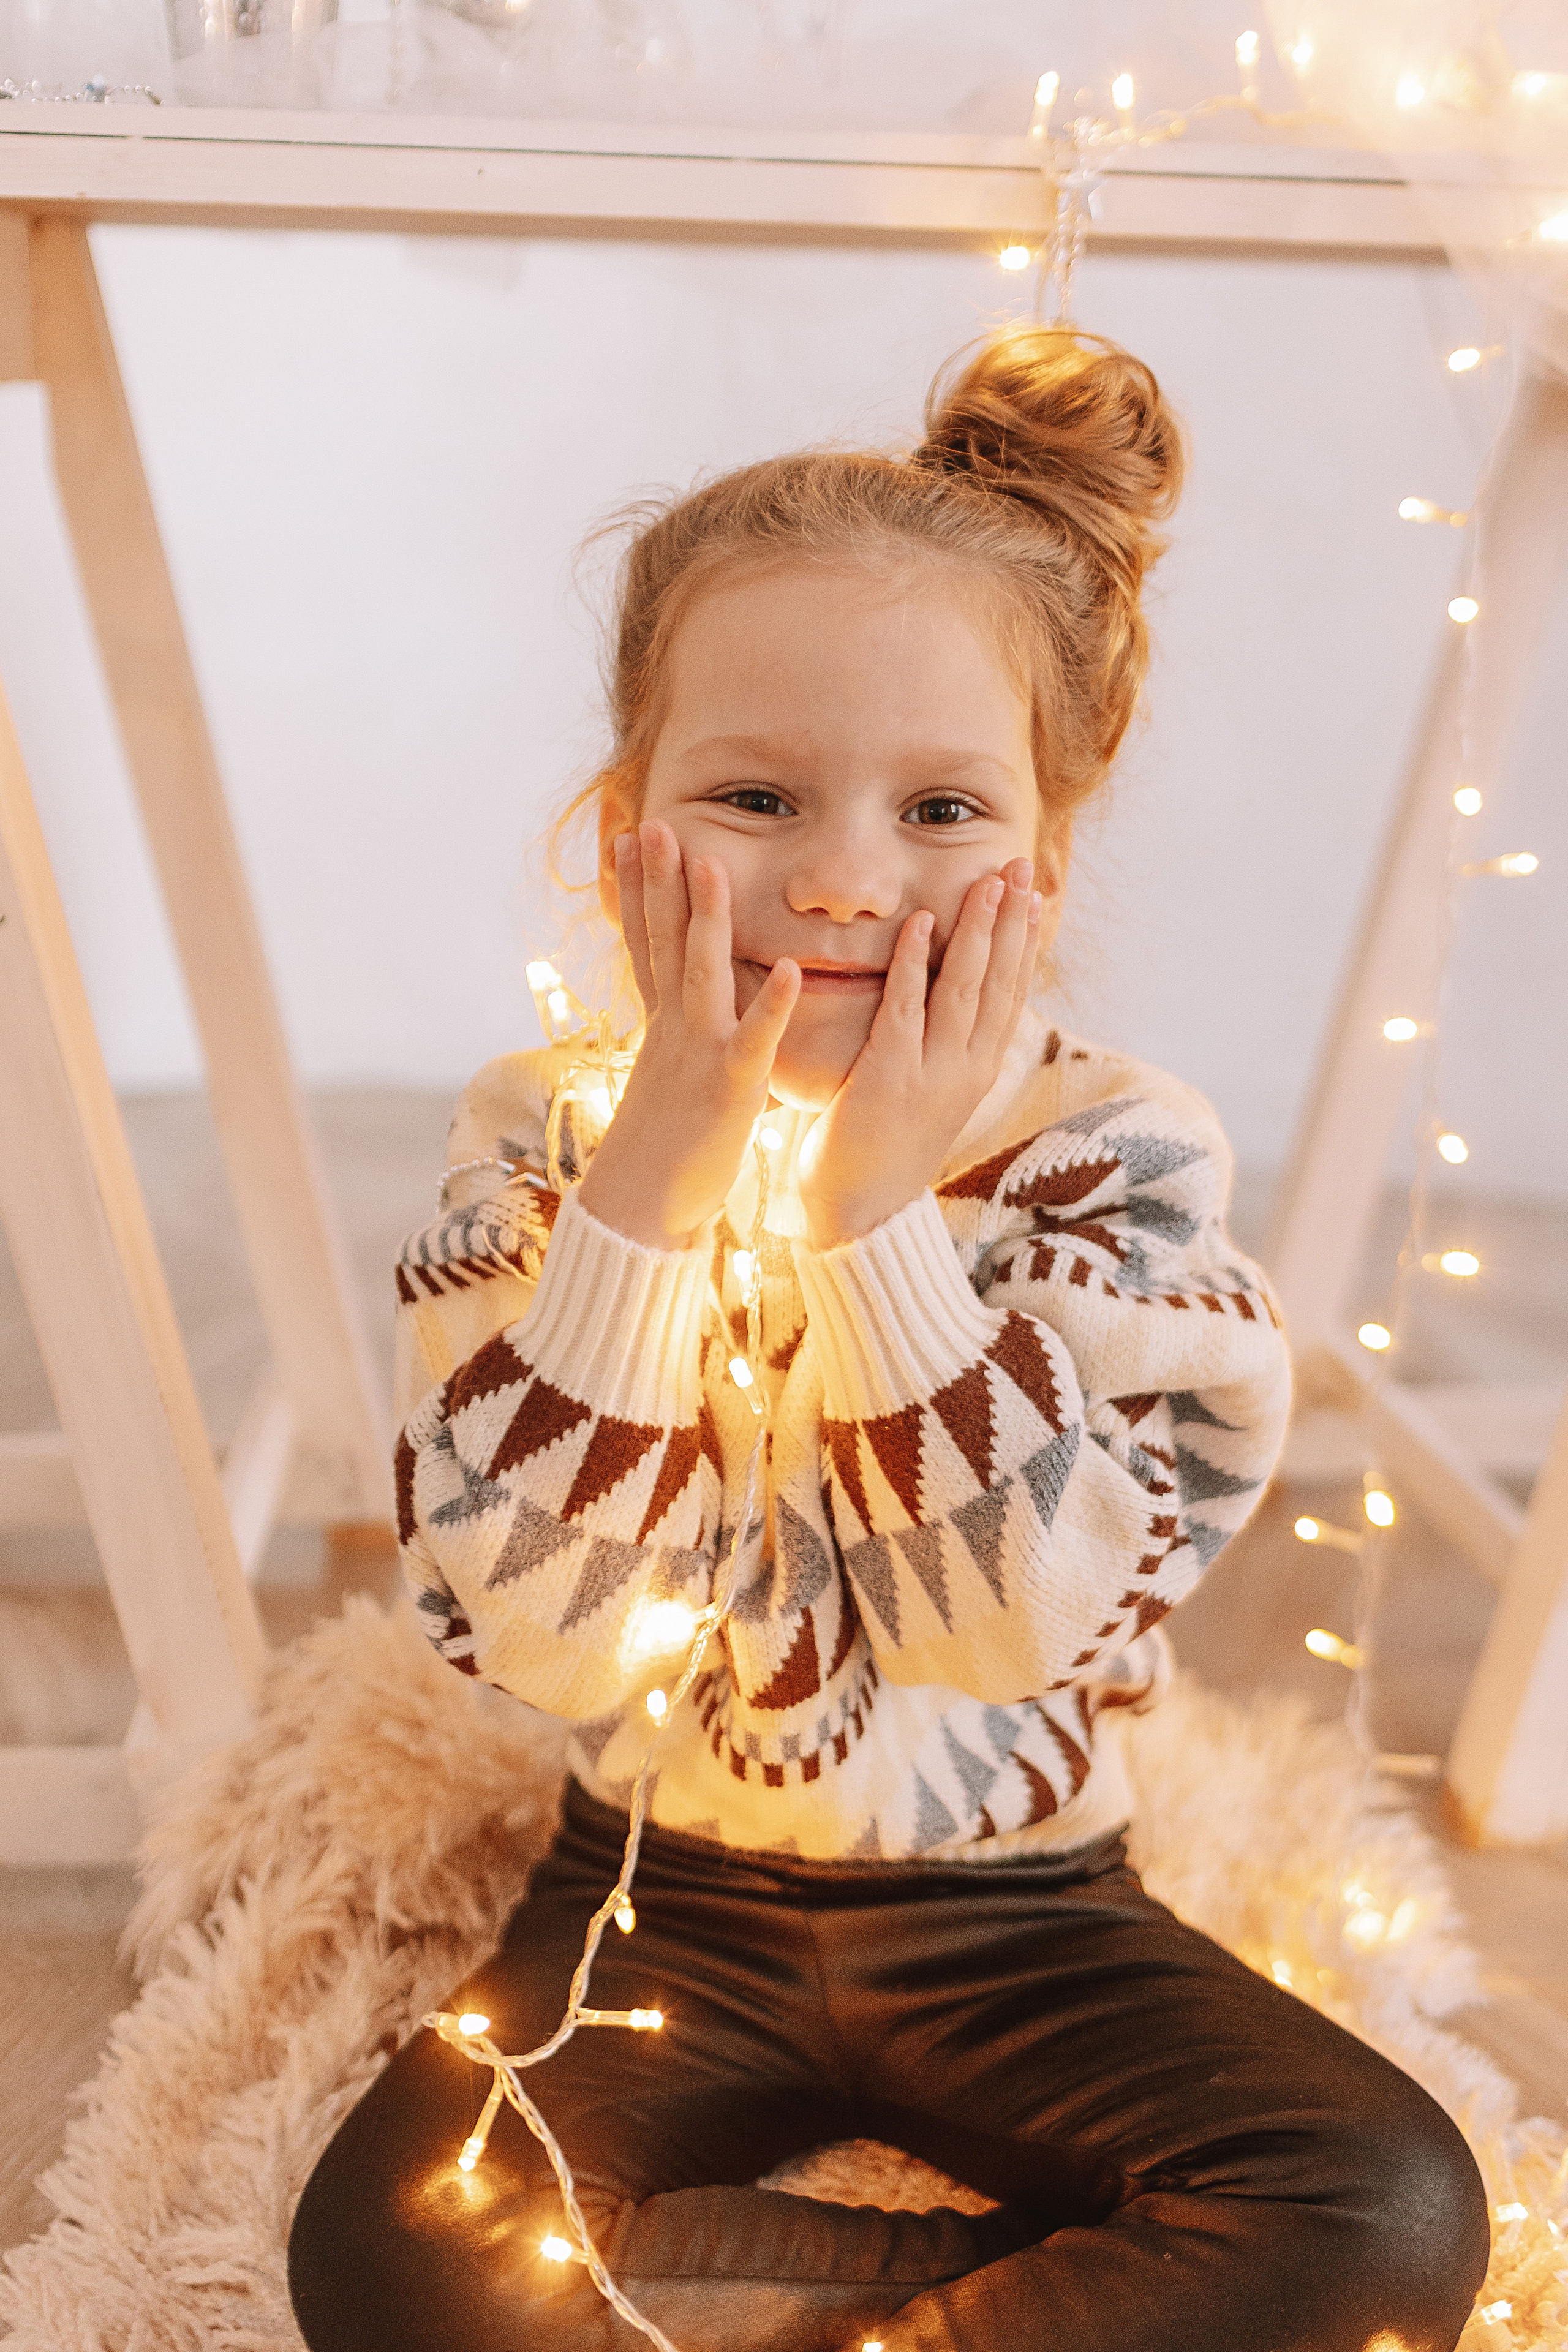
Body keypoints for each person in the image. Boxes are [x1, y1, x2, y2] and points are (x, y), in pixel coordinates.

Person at [288, 323, 1489, 2352]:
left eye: (941, 809)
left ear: (1050, 852)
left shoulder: (1116, 1162)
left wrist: (870, 1221)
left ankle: (846, 2316)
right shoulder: (542, 1146)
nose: (847, 880)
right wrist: (652, 1189)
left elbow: (1001, 1635)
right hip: (657, 1891)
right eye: (756, 795)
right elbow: (541, 1645)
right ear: (622, 834)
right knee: (392, 2252)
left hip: (1027, 1913)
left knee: (1387, 2209)